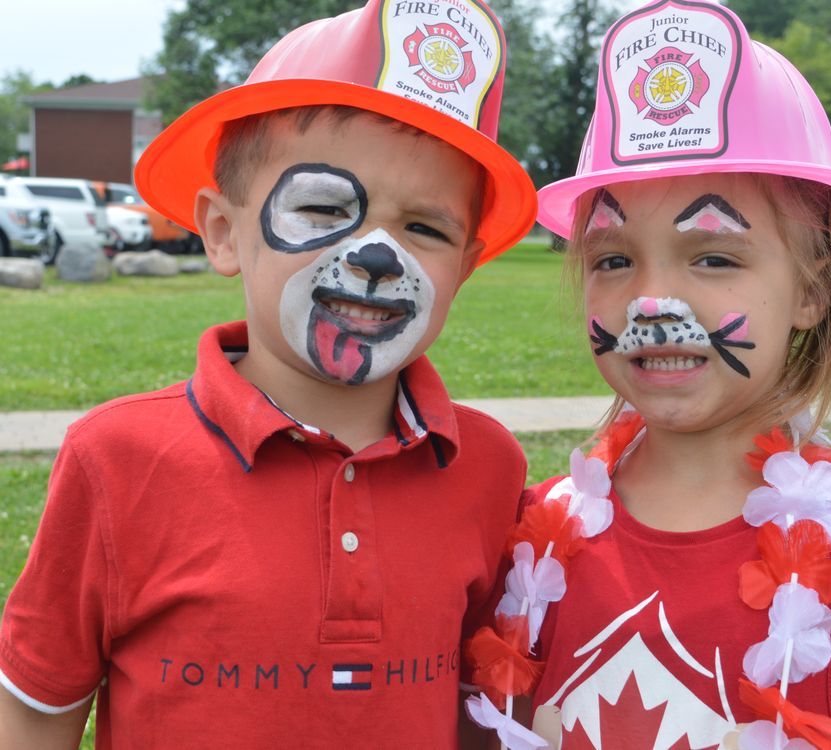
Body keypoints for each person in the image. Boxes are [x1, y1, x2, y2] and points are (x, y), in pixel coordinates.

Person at [0, 2, 537, 748]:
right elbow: (36, 713)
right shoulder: (116, 460)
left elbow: (481, 706)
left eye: (425, 227)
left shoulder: (487, 469)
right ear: (222, 232)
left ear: (465, 267)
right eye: (323, 207)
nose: (377, 256)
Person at [463, 2, 831, 749]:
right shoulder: (533, 536)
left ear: (812, 292)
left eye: (715, 257)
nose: (651, 302)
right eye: (614, 259)